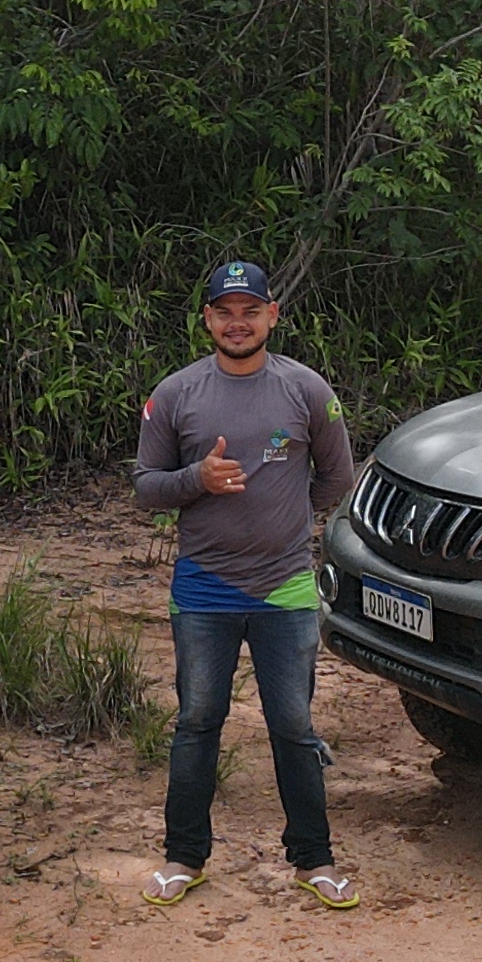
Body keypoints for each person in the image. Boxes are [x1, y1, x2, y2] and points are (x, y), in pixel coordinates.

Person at [131, 259, 360, 910]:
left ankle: (314, 861)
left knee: (293, 723)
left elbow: (337, 479)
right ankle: (184, 857)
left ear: (272, 316)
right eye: (224, 311)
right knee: (198, 720)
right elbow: (146, 488)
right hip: (203, 588)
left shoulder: (308, 389)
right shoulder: (175, 395)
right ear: (206, 318)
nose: (238, 322)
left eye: (249, 310)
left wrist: (285, 517)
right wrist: (195, 481)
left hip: (285, 586)